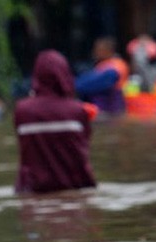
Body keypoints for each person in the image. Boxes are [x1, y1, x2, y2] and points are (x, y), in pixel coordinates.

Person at [14, 50, 97, 194]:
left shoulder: (22, 111)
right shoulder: (77, 110)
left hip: (32, 192)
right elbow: (84, 145)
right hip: (76, 190)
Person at [74, 37, 129, 116]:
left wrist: (72, 85)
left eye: (99, 49)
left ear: (108, 50)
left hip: (110, 109)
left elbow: (94, 84)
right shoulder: (104, 63)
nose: (95, 52)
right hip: (102, 109)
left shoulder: (115, 66)